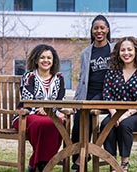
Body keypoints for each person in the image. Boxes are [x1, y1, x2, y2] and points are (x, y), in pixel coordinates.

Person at [100, 36, 137, 172]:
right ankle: (112, 164)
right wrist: (113, 114)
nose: (126, 53)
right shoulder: (112, 71)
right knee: (106, 124)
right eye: (122, 50)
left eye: (129, 49)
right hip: (116, 112)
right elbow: (107, 95)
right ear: (118, 52)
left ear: (136, 51)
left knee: (125, 124)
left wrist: (123, 116)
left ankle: (124, 164)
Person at [12, 44, 66, 172]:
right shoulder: (29, 76)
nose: (45, 60)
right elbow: (27, 99)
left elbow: (60, 100)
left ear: (53, 61)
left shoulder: (59, 78)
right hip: (26, 116)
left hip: (51, 115)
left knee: (56, 123)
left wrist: (49, 109)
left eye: (49, 58)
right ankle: (42, 166)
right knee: (45, 123)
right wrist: (41, 108)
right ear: (36, 60)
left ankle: (35, 165)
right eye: (42, 57)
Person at [71, 14, 115, 170]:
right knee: (77, 120)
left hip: (106, 93)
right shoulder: (86, 53)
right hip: (88, 93)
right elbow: (83, 78)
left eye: (102, 28)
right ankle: (80, 156)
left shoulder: (114, 49)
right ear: (91, 30)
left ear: (107, 29)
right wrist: (76, 101)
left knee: (87, 112)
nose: (99, 31)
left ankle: (83, 156)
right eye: (96, 28)